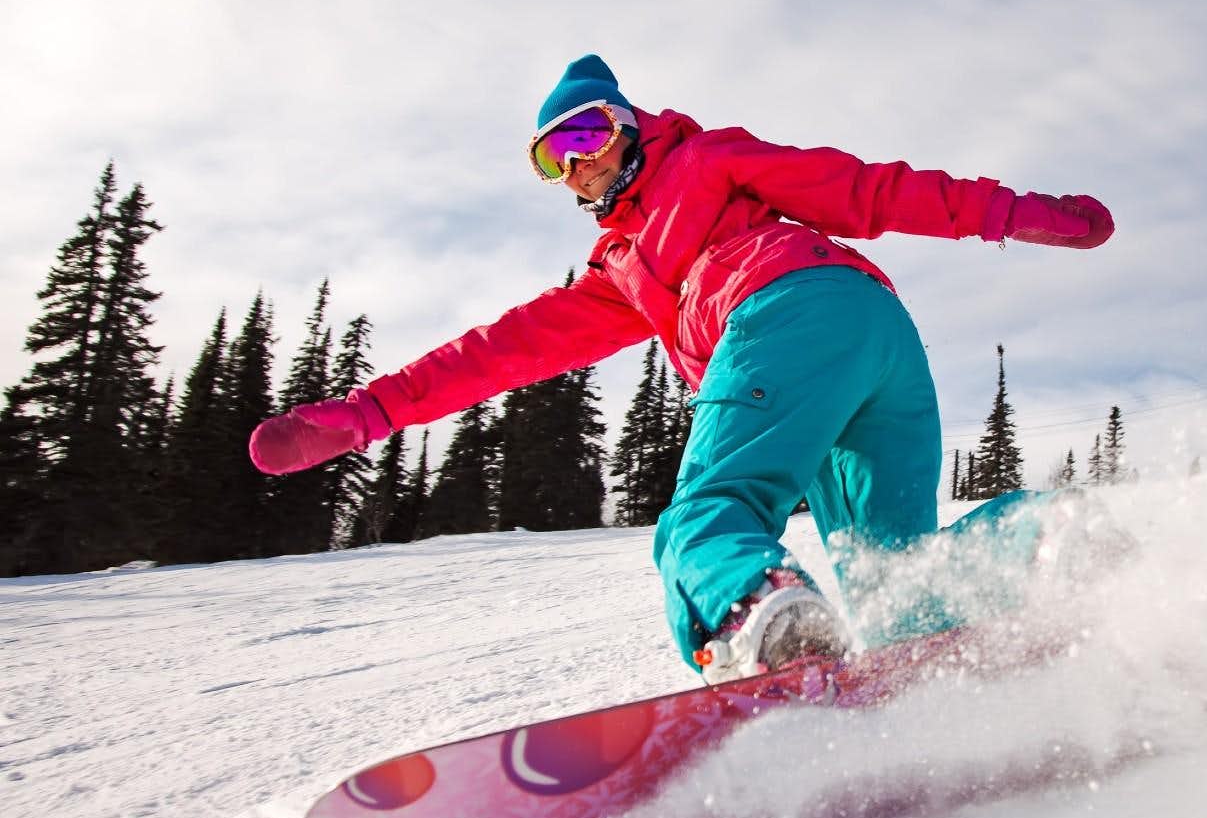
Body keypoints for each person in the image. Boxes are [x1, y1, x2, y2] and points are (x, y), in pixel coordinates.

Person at [250, 54, 1114, 684]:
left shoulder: (704, 161)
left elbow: (867, 189)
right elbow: (496, 352)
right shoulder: (619, 273)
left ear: (628, 125)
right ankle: (1043, 541)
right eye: (554, 158)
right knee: (895, 583)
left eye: (586, 133)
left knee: (706, 517)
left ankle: (755, 615)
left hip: (788, 308)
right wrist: (371, 413)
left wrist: (1011, 213)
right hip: (876, 340)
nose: (577, 161)